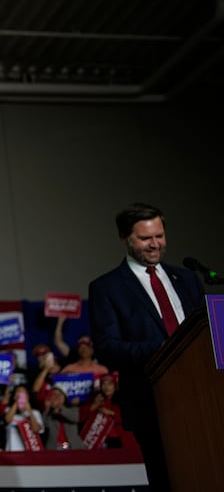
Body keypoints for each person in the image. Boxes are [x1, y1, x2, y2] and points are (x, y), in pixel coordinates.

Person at [89, 202, 204, 491]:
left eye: (160, 236)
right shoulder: (107, 288)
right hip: (152, 402)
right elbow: (107, 347)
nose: (155, 245)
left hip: (204, 396)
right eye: (145, 238)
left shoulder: (187, 278)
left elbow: (205, 334)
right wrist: (167, 351)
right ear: (124, 237)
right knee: (169, 480)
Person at [4, 384, 44, 451]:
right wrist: (17, 402)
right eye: (18, 392)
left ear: (28, 397)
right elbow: (7, 420)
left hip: (29, 452)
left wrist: (29, 411)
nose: (20, 395)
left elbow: (36, 429)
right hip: (11, 450)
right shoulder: (9, 410)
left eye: (23, 393)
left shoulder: (35, 413)